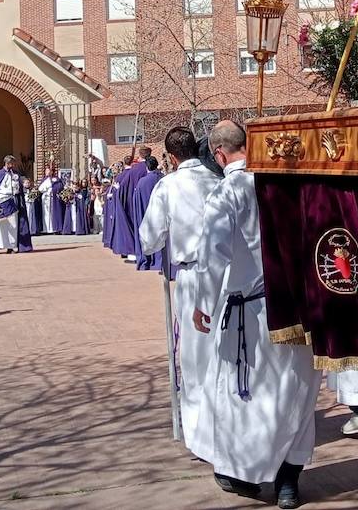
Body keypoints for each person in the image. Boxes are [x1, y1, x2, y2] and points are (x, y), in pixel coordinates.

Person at [195, 121, 319, 509]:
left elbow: (213, 252)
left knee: (245, 395)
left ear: (219, 155)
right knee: (296, 393)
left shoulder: (228, 192)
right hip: (299, 307)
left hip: (253, 311)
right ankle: (288, 479)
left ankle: (244, 475)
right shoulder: (292, 183)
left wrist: (203, 301)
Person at [139, 126, 223, 462]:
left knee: (194, 354)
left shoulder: (168, 186)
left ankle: (200, 430)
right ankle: (224, 419)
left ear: (172, 157)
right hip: (225, 273)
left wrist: (161, 239)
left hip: (191, 275)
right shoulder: (217, 182)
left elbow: (149, 237)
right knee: (222, 348)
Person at [0, 156, 31, 254]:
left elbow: (21, 184)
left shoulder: (16, 174)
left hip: (13, 201)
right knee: (1, 225)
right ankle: (1, 245)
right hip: (1, 202)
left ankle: (12, 246)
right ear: (7, 163)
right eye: (11, 164)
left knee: (13, 224)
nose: (13, 165)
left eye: (13, 164)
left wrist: (25, 185)